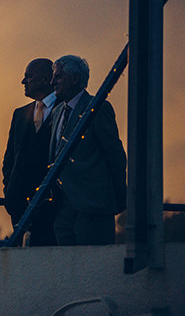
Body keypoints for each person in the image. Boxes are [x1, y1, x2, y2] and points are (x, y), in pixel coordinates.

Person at [48, 55, 127, 245]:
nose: (52, 82)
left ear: (75, 78)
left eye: (58, 77)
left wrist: (117, 200)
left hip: (93, 208)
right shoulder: (58, 112)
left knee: (94, 264)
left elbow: (115, 156)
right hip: (63, 209)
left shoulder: (99, 108)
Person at [1, 58, 59, 246]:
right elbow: (10, 158)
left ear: (45, 79)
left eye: (28, 77)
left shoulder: (64, 109)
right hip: (20, 206)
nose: (23, 82)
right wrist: (10, 191)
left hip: (54, 206)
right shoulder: (20, 114)